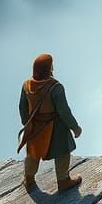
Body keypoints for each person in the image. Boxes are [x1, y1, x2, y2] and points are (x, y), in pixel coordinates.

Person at [18, 53, 83, 193]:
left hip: (35, 126)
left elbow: (22, 107)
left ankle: (28, 180)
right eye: (51, 65)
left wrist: (27, 124)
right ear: (49, 69)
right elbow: (64, 111)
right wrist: (75, 127)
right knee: (63, 153)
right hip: (55, 127)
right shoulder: (56, 87)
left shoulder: (27, 85)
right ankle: (63, 181)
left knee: (33, 153)